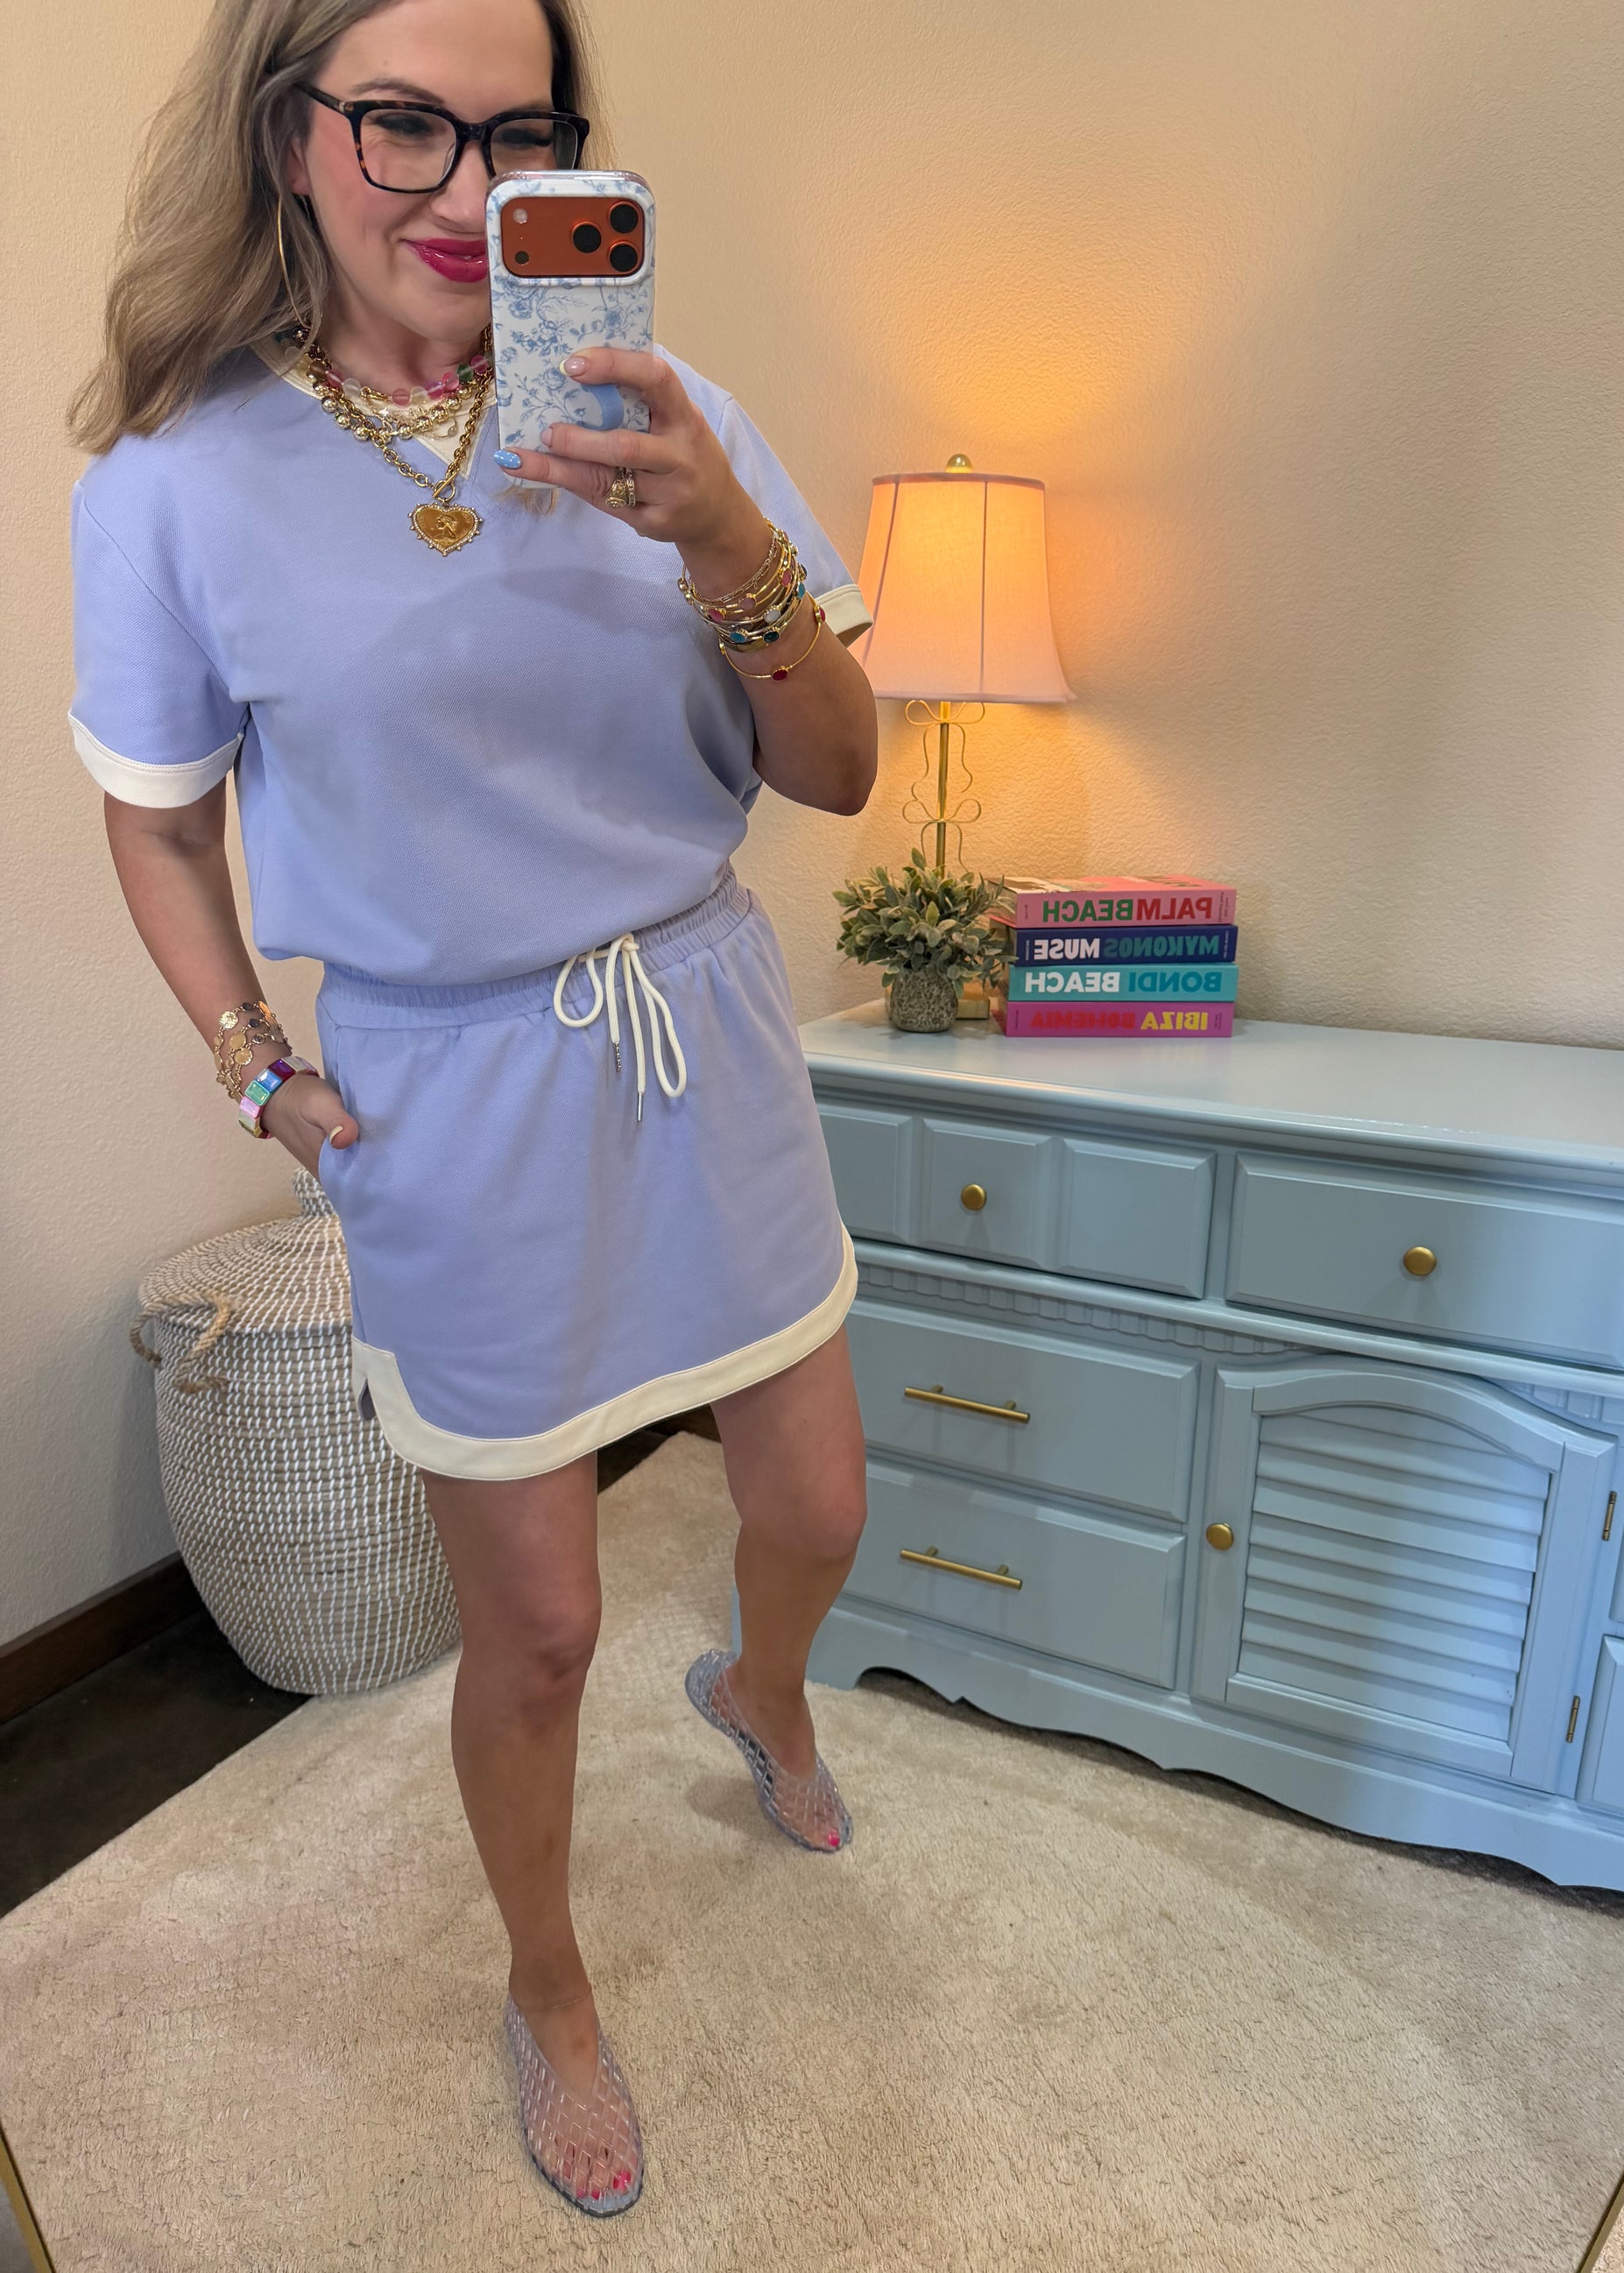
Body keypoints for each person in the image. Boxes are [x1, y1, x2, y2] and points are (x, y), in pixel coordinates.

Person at [69, 0, 879, 2219]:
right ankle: (549, 1978)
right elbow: (159, 820)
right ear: (288, 136)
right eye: (401, 124)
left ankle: (767, 1688)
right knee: (536, 1627)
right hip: (449, 1086)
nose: (464, 186)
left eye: (520, 132)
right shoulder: (175, 484)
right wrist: (252, 1057)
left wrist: (721, 533)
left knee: (815, 1503)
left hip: (701, 1023)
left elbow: (838, 770)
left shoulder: (670, 412)